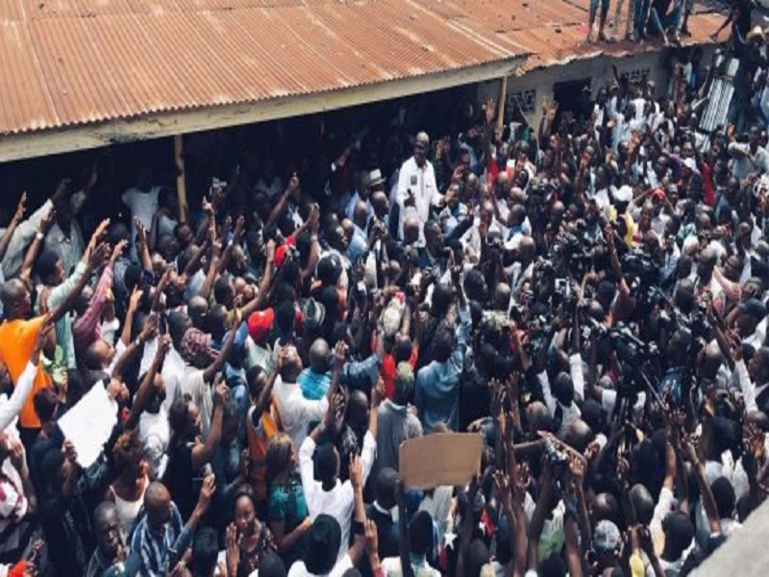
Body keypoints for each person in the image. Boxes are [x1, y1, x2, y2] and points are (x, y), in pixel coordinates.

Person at [129, 477, 215, 576]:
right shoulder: (140, 544)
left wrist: (182, 563)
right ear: (152, 515)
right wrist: (198, 511)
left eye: (169, 504)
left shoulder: (171, 509)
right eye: (165, 510)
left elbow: (185, 544)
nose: (171, 509)